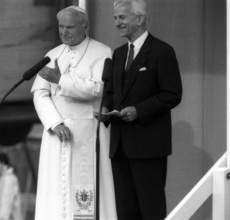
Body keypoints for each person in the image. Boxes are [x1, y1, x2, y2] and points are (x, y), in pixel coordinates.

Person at [31, 5, 117, 220]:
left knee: (86, 199)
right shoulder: (52, 55)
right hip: (56, 134)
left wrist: (61, 80)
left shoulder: (102, 52)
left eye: (69, 27)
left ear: (85, 26)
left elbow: (98, 89)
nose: (64, 32)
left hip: (88, 131)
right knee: (55, 193)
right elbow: (39, 93)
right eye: (61, 26)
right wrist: (54, 123)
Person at [101, 0, 183, 219]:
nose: (117, 23)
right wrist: (105, 109)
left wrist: (139, 110)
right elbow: (111, 92)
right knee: (125, 212)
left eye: (122, 17)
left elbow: (172, 94)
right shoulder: (118, 53)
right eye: (115, 18)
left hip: (148, 145)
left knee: (151, 209)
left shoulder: (162, 51)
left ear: (140, 18)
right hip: (119, 147)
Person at [0, 152, 23, 220]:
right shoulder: (4, 178)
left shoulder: (8, 179)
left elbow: (6, 201)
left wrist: (1, 218)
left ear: (2, 163)